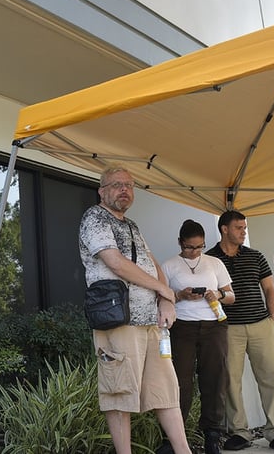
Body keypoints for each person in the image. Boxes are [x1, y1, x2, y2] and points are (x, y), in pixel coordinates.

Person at [78, 166, 191, 454]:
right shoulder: (94, 217)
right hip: (119, 319)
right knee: (119, 394)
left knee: (166, 391)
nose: (124, 190)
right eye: (116, 185)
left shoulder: (131, 225)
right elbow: (115, 262)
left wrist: (165, 299)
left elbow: (151, 262)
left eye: (129, 185)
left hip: (150, 322)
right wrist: (164, 290)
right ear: (102, 191)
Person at [205, 210, 274, 453]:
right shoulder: (209, 259)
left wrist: (271, 320)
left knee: (268, 378)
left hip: (260, 325)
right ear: (224, 229)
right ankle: (240, 433)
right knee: (231, 382)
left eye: (245, 228)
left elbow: (270, 289)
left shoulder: (256, 256)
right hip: (227, 329)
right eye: (239, 228)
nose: (244, 232)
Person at [161, 219, 234, 454]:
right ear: (180, 243)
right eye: (190, 247)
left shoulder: (214, 263)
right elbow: (161, 298)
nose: (194, 252)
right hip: (182, 327)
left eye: (200, 246)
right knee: (180, 382)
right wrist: (180, 295)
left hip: (214, 326)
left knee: (215, 379)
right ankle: (174, 438)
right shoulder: (169, 265)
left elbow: (232, 295)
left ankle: (212, 435)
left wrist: (218, 294)